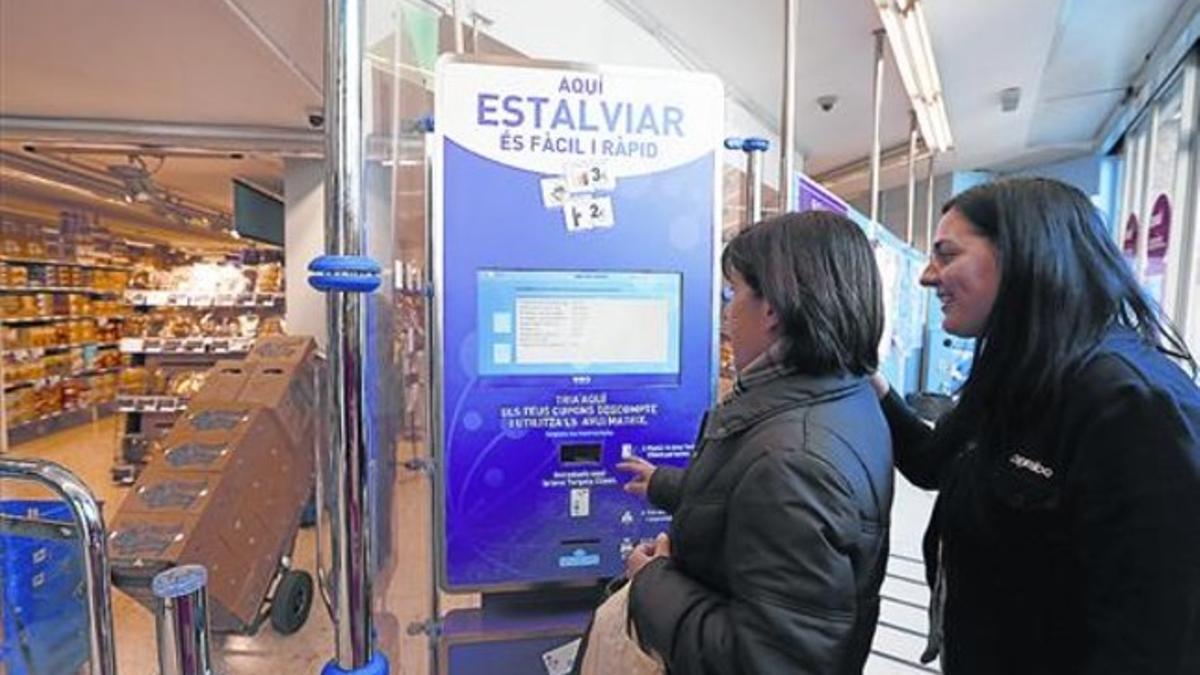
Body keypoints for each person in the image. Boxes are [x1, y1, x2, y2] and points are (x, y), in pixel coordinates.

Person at [870, 177, 1200, 674]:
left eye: (947, 254)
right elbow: (931, 462)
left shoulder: (1131, 405)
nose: (928, 276)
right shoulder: (1017, 373)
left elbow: (1154, 644)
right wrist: (869, 380)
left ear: (1023, 256)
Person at [617, 210, 894, 674]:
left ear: (773, 309)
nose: (728, 312)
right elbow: (755, 513)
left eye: (735, 292)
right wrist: (665, 485)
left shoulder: (794, 460)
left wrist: (652, 582)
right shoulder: (843, 396)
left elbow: (768, 662)